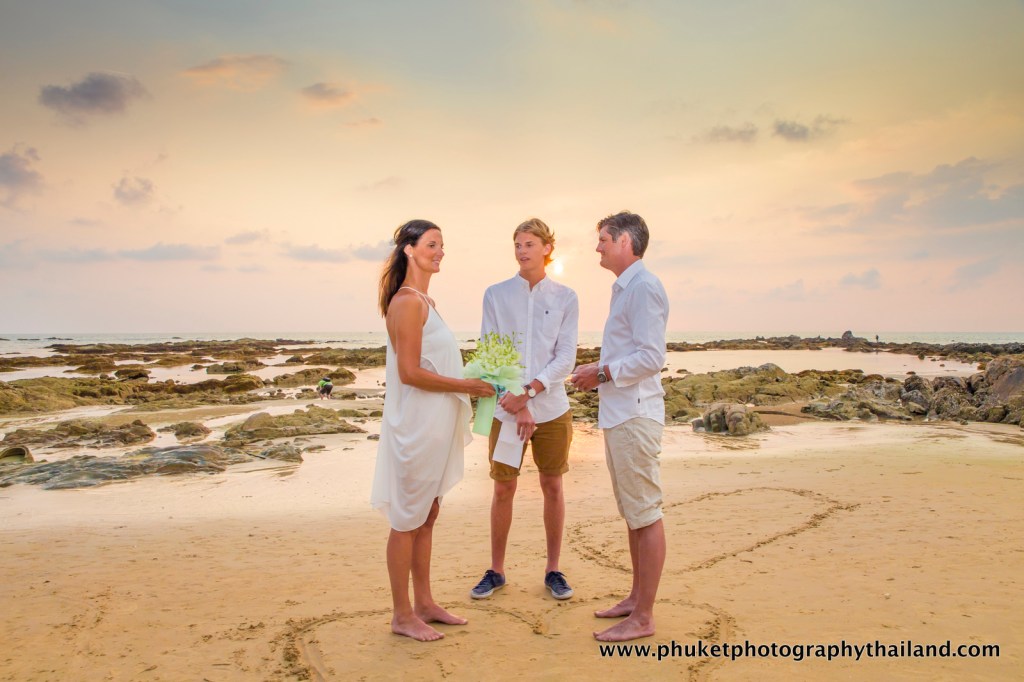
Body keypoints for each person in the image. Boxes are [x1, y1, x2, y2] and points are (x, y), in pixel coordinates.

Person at [370, 219, 495, 642]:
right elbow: (409, 373)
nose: (440, 252)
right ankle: (401, 614)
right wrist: (467, 386)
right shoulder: (407, 302)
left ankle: (424, 603)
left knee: (427, 514)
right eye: (432, 244)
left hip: (435, 426)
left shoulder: (427, 300)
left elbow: (434, 363)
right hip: (416, 428)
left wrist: (473, 379)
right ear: (409, 249)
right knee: (407, 518)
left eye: (442, 245)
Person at [570, 210, 669, 642]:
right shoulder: (626, 288)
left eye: (604, 240)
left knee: (645, 513)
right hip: (621, 414)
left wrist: (601, 373)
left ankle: (643, 617)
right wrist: (598, 368)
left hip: (635, 414)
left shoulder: (643, 287)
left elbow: (651, 357)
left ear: (625, 242)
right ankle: (635, 598)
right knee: (633, 512)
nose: (598, 247)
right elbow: (630, 351)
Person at [470, 218, 580, 602]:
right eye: (517, 244)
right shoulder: (496, 295)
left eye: (529, 244)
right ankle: (496, 571)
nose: (521, 251)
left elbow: (565, 358)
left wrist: (529, 393)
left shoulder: (566, 297)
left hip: (552, 410)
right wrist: (516, 403)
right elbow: (491, 353)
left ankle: (553, 570)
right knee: (503, 488)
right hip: (506, 410)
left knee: (553, 486)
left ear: (547, 248)